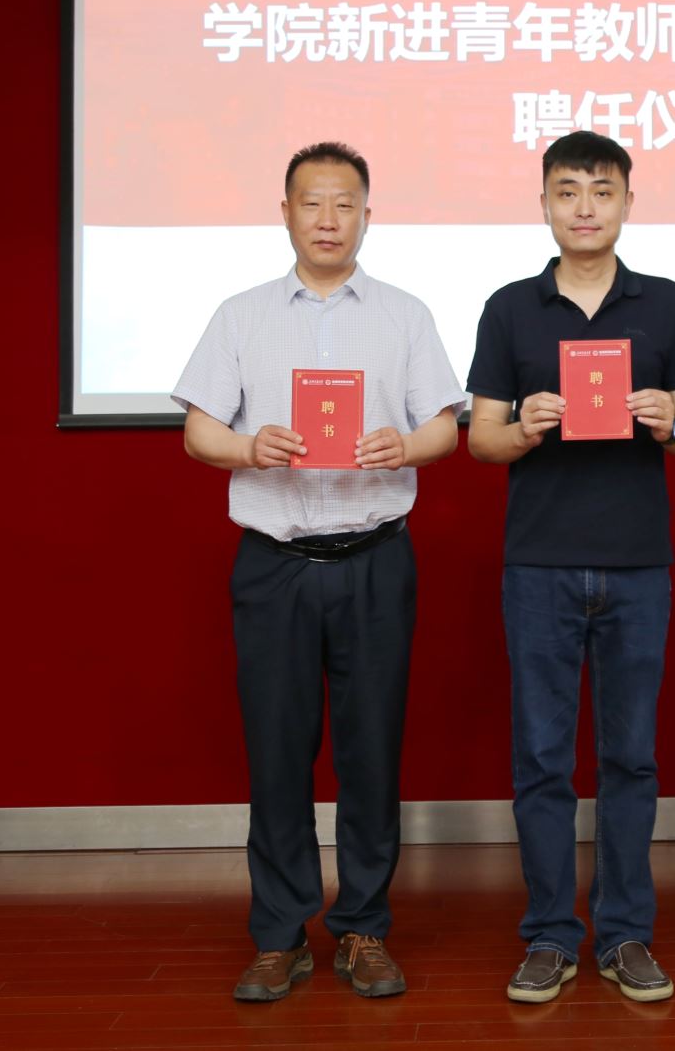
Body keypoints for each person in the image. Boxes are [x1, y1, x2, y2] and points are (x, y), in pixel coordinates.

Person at [175, 141, 465, 1004]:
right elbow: (198, 431)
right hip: (275, 565)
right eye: (313, 203)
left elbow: (445, 427)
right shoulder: (241, 315)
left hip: (375, 558)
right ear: (286, 214)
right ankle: (279, 935)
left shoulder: (404, 315)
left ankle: (364, 929)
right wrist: (247, 447)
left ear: (368, 215)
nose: (329, 219)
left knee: (371, 752)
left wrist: (404, 445)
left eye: (345, 204)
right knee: (276, 752)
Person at [466, 130, 675, 1005]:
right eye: (567, 191)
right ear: (543, 203)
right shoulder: (510, 307)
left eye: (602, 192)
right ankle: (548, 935)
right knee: (541, 760)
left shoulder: (668, 303)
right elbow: (481, 440)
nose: (584, 207)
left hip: (639, 565)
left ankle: (625, 933)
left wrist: (665, 421)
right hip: (539, 564)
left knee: (630, 760)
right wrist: (523, 427)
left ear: (627, 204)